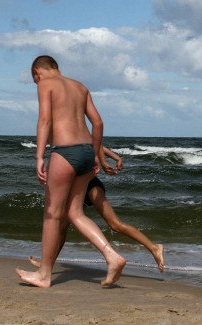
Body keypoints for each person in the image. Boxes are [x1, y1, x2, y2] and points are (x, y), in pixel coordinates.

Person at [15, 55, 126, 288]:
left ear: (37, 71)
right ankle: (112, 256)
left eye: (35, 79)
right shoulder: (80, 86)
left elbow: (44, 121)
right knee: (75, 213)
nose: (37, 83)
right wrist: (96, 153)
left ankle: (44, 275)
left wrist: (39, 157)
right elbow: (98, 123)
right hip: (86, 152)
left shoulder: (46, 84)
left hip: (65, 152)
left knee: (52, 214)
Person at [28, 146, 165, 273]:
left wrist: (115, 158)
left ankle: (154, 247)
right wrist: (116, 157)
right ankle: (47, 264)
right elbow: (97, 146)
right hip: (75, 188)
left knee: (115, 224)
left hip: (92, 186)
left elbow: (97, 146)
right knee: (62, 228)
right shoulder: (70, 139)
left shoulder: (74, 138)